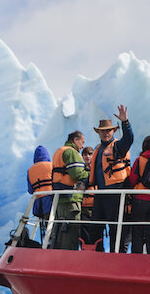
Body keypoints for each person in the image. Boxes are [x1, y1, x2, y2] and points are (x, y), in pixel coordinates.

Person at [90, 105, 133, 252]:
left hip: (115, 193)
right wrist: (84, 184)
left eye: (108, 130)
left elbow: (129, 139)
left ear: (113, 131)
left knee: (115, 227)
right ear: (99, 133)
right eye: (103, 131)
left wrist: (125, 122)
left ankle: (117, 255)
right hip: (100, 194)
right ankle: (97, 254)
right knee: (95, 227)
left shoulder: (118, 147)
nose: (106, 133)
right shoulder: (98, 149)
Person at [50, 131, 88, 250]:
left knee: (61, 232)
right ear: (75, 140)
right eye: (82, 142)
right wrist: (91, 175)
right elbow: (77, 174)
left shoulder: (59, 151)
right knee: (71, 234)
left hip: (60, 198)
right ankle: (69, 259)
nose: (82, 146)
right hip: (70, 198)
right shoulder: (71, 152)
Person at [26, 145, 53, 242]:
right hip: (51, 201)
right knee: (53, 227)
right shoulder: (51, 166)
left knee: (45, 228)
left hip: (39, 204)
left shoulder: (30, 170)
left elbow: (30, 190)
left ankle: (47, 244)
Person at [80, 146, 97, 248]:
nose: (87, 156)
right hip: (83, 208)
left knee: (97, 236)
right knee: (84, 237)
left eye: (90, 154)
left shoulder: (98, 170)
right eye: (85, 154)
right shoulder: (79, 171)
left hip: (95, 207)